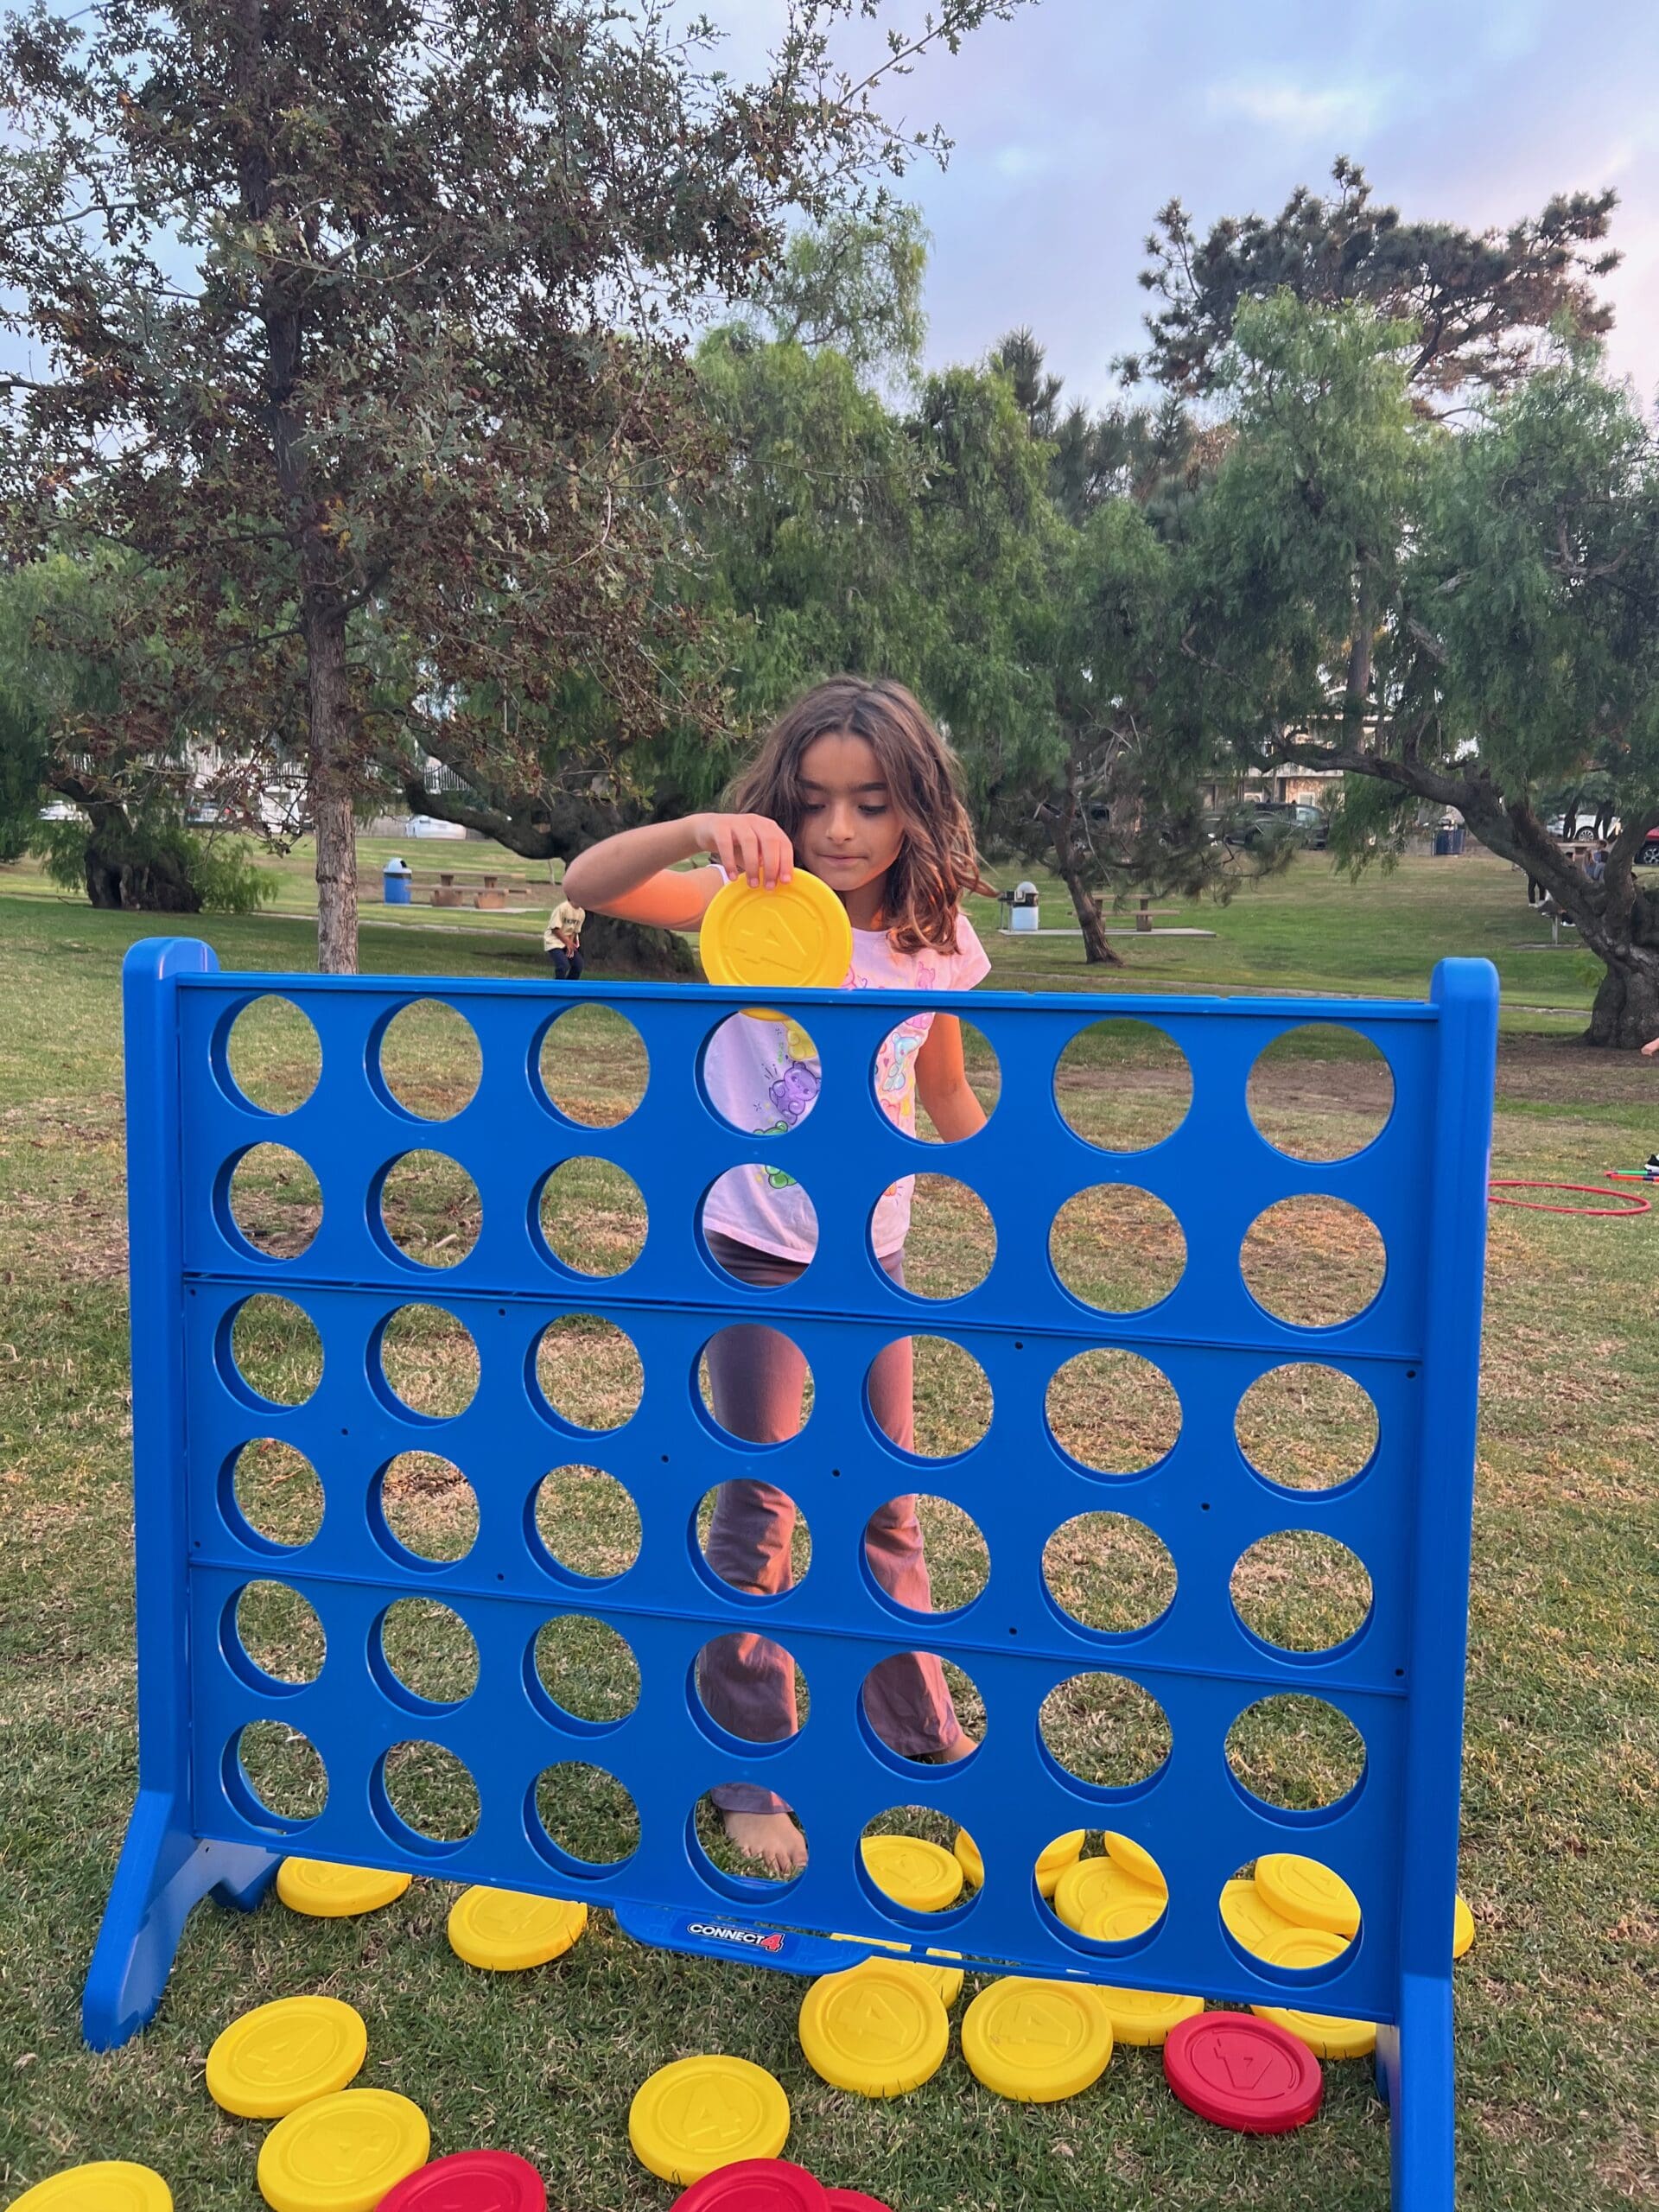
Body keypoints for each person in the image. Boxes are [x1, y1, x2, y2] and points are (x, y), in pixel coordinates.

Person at [563, 676, 993, 1877]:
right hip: (757, 1249)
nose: (841, 831)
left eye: (870, 803)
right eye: (814, 805)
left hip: (880, 1259)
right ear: (782, 811)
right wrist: (703, 833)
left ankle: (918, 1735)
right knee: (764, 1503)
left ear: (916, 806)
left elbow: (945, 1087)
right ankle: (749, 1761)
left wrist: (1017, 1192)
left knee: (888, 1498)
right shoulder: (745, 908)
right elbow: (587, 884)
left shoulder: (936, 937)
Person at [543, 876, 586, 981]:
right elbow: (555, 929)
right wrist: (567, 942)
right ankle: (558, 988)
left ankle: (570, 987)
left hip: (567, 942)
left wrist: (570, 945)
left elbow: (575, 931)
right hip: (554, 942)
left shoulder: (581, 913)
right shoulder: (563, 908)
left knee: (578, 965)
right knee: (563, 965)